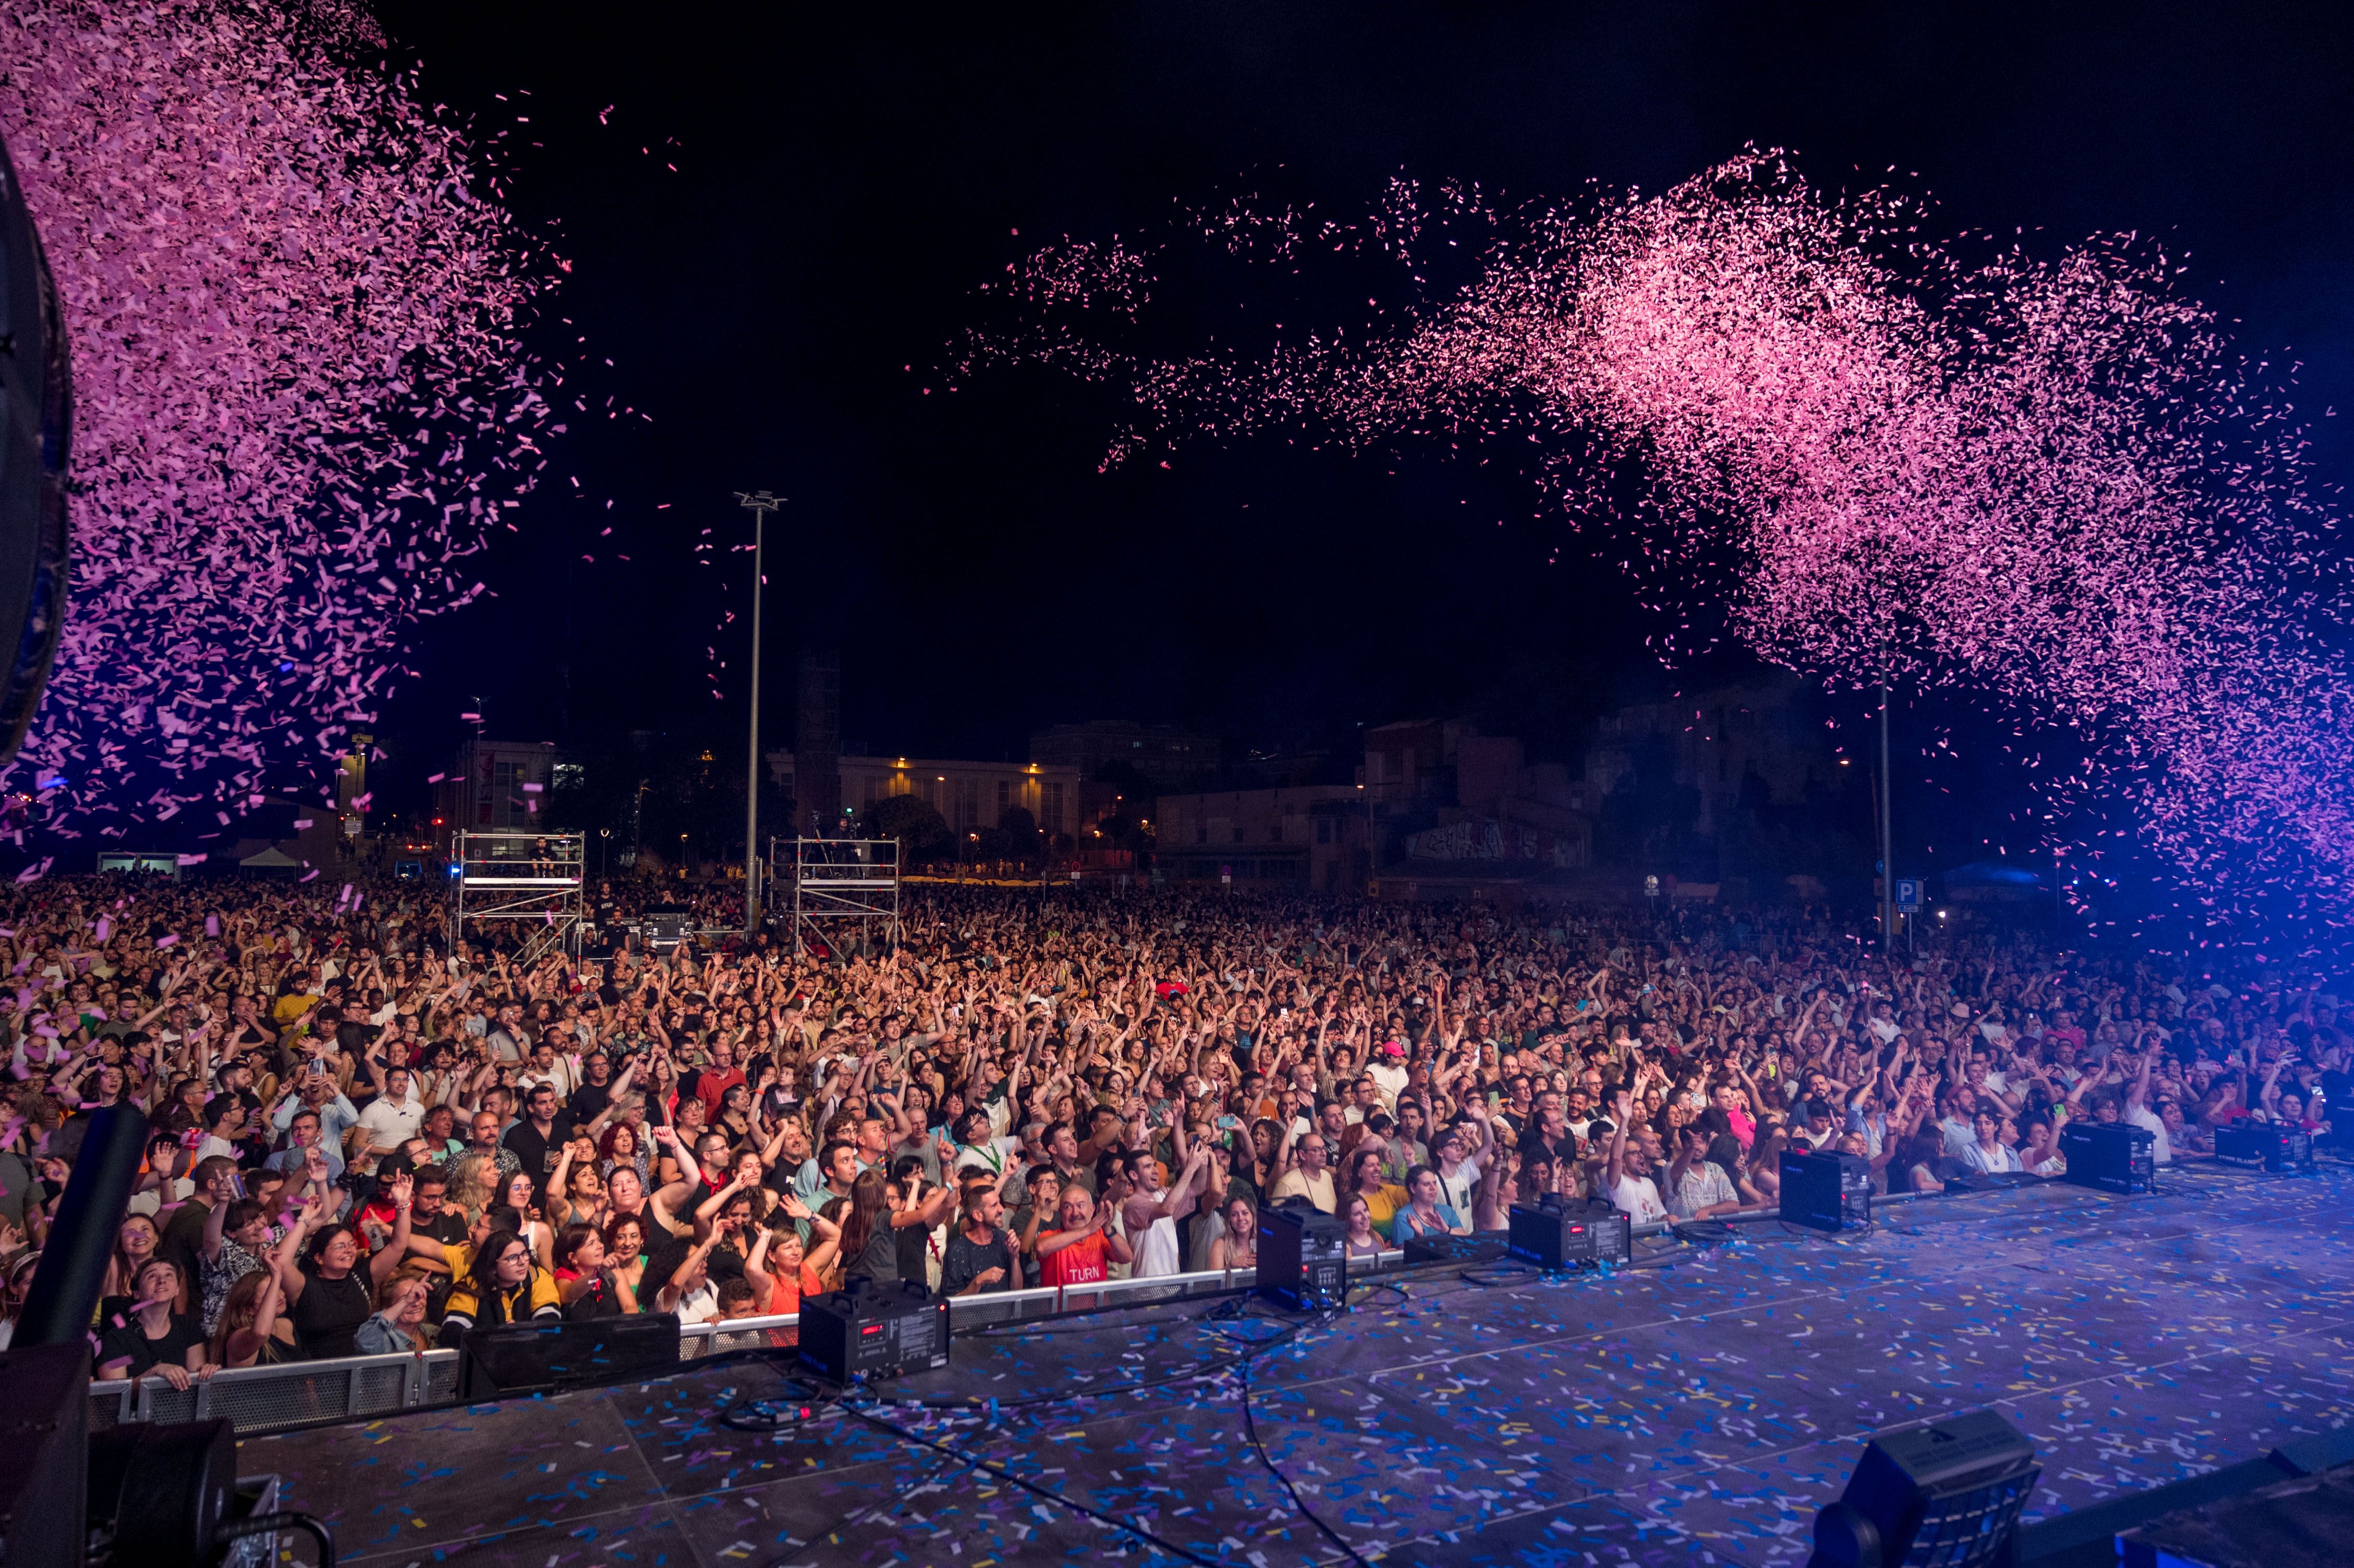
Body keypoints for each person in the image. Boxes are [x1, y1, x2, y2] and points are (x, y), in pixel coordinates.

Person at [274, 1179, 412, 1358]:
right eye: (339, 1247)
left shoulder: (361, 1277)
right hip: (321, 1374)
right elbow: (282, 1262)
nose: (348, 1250)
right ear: (319, 1258)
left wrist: (402, 1204)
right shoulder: (305, 1286)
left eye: (351, 1244)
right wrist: (304, 1220)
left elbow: (399, 1245)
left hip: (361, 1370)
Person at [96, 1258, 215, 1387]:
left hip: (180, 1407)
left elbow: (195, 1383)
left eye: (169, 1275)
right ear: (136, 1293)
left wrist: (205, 1374)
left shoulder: (188, 1327)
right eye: (152, 1276)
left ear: (177, 1289)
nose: (162, 1281)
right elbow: (114, 1396)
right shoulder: (116, 1339)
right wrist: (153, 1373)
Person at [1388, 1165, 1469, 1244]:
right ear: (1413, 1188)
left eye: (1434, 1183)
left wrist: (1447, 1230)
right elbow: (1405, 1255)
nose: (1433, 1188)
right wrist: (1419, 1236)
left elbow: (1466, 1241)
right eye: (1426, 1184)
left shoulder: (1448, 1211)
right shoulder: (1403, 1218)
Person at [1205, 1194, 1257, 1271]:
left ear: (1253, 1216)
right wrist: (1231, 1265)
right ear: (1229, 1220)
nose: (1241, 1218)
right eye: (1234, 1215)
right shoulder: (1220, 1245)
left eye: (1245, 1213)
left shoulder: (1262, 1242)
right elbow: (1213, 1282)